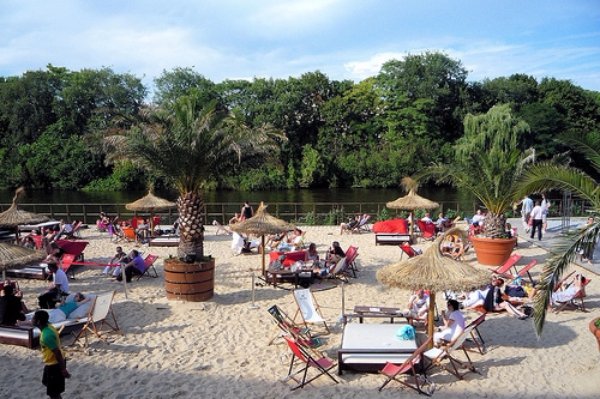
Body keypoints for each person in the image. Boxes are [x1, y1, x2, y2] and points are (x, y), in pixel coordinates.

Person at [32, 310, 70, 399]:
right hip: (51, 363)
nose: (31, 320)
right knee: (45, 382)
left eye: (33, 318)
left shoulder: (46, 335)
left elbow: (57, 353)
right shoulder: (48, 326)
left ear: (38, 322)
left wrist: (63, 369)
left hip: (54, 364)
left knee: (53, 393)